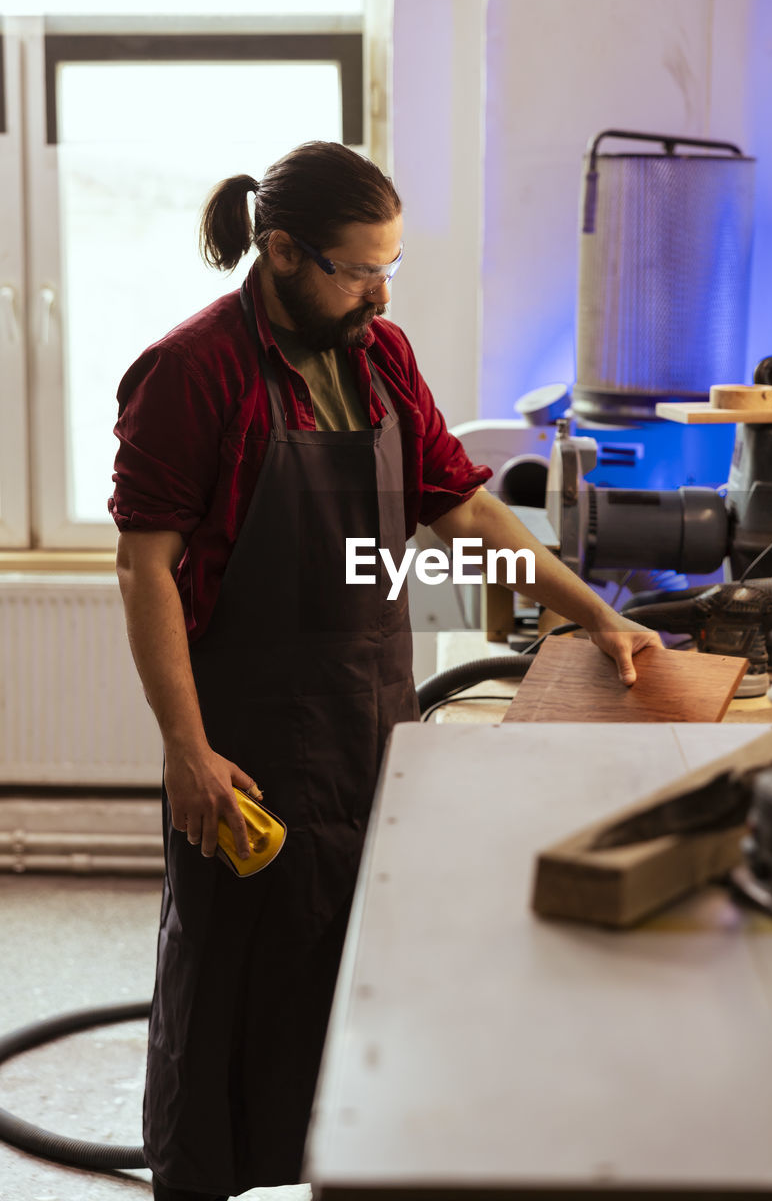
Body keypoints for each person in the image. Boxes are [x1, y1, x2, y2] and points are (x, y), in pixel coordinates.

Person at [109, 141, 659, 1200]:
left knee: (366, 965)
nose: (377, 293)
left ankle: (358, 1168)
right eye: (358, 269)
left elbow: (461, 504)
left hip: (372, 719)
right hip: (248, 738)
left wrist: (592, 614)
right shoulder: (192, 371)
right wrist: (187, 749)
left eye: (389, 268)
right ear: (279, 252)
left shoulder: (381, 355)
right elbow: (145, 570)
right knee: (231, 975)